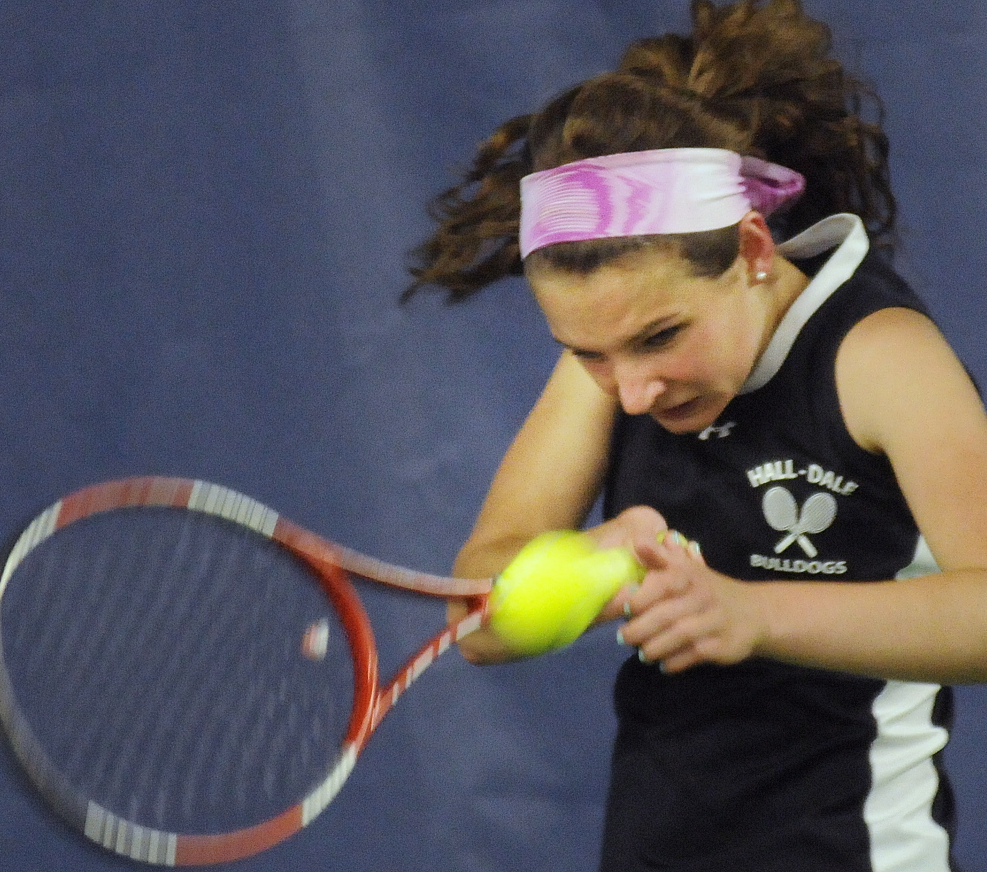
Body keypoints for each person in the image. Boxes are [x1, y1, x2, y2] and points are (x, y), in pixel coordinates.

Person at [406, 1, 987, 869]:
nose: (632, 393)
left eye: (660, 337)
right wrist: (586, 566)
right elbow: (477, 619)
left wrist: (751, 611)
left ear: (754, 247)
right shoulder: (615, 362)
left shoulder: (881, 358)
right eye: (587, 354)